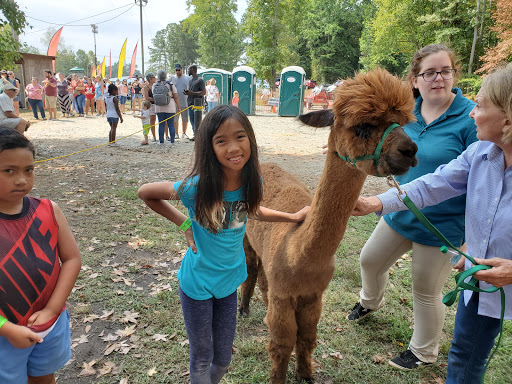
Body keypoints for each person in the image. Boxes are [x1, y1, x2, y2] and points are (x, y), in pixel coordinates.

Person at [352, 63, 512, 384]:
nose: (471, 112)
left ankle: (423, 350)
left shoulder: (468, 132)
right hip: (484, 285)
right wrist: (375, 202)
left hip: (488, 272)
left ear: (507, 118)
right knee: (465, 355)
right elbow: (432, 184)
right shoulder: (481, 154)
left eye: (480, 106)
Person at [137, 105, 310, 384]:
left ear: (250, 140)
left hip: (230, 283)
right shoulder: (197, 187)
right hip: (198, 285)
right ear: (209, 147)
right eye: (221, 140)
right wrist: (184, 225)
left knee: (223, 359)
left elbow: (250, 210)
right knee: (202, 356)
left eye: (240, 137)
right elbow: (146, 193)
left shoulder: (253, 183)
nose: (233, 147)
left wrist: (290, 216)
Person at [346, 44, 478, 370]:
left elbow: (480, 181)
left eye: (444, 71)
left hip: (442, 224)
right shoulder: (406, 113)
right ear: (415, 80)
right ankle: (370, 302)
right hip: (402, 208)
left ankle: (423, 351)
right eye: (429, 73)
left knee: (425, 288)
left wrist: (470, 238)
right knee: (369, 260)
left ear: (453, 74)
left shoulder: (470, 118)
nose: (438, 78)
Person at [0, 128, 82, 384]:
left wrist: (51, 309)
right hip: (4, 335)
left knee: (44, 375)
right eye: (9, 171)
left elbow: (71, 259)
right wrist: (6, 328)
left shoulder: (48, 210)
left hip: (49, 324)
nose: (22, 180)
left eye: (29, 170)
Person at [153, 69, 180, 145]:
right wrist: (178, 106)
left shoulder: (155, 85)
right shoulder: (170, 84)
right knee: (171, 124)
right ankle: (172, 141)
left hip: (159, 107)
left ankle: (161, 141)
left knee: (161, 124)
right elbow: (175, 96)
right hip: (170, 107)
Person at [184, 65, 206, 141]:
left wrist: (192, 93)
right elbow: (191, 92)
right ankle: (195, 134)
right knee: (192, 120)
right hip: (190, 103)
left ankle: (199, 136)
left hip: (197, 105)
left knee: (197, 120)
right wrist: (188, 93)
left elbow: (203, 92)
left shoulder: (200, 80)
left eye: (188, 69)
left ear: (193, 69)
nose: (187, 71)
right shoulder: (191, 80)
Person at [170, 63, 190, 139]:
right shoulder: (172, 78)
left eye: (179, 70)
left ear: (181, 69)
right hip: (175, 102)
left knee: (185, 118)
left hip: (185, 101)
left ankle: (184, 133)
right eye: (176, 70)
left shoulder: (188, 78)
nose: (178, 71)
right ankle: (176, 133)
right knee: (175, 119)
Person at [142, 73, 157, 142]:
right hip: (151, 105)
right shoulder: (146, 87)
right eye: (153, 77)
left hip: (157, 104)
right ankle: (154, 136)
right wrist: (156, 99)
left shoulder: (156, 86)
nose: (155, 78)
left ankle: (165, 135)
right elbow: (146, 97)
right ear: (150, 79)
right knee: (152, 120)